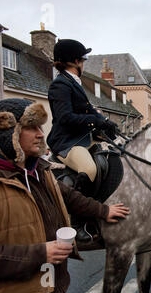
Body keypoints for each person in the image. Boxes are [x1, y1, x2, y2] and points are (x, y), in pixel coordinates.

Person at [0, 99, 130, 293]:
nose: (41, 134)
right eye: (31, 127)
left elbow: (69, 196)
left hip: (50, 287)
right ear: (8, 132)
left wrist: (104, 211)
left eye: (40, 126)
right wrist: (40, 254)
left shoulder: (38, 168)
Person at [47, 39, 119, 242]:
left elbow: (85, 112)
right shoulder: (60, 84)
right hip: (66, 141)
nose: (84, 63)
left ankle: (96, 206)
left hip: (82, 138)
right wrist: (95, 120)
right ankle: (76, 221)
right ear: (75, 60)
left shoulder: (73, 82)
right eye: (83, 60)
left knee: (111, 157)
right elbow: (65, 118)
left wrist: (104, 123)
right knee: (89, 169)